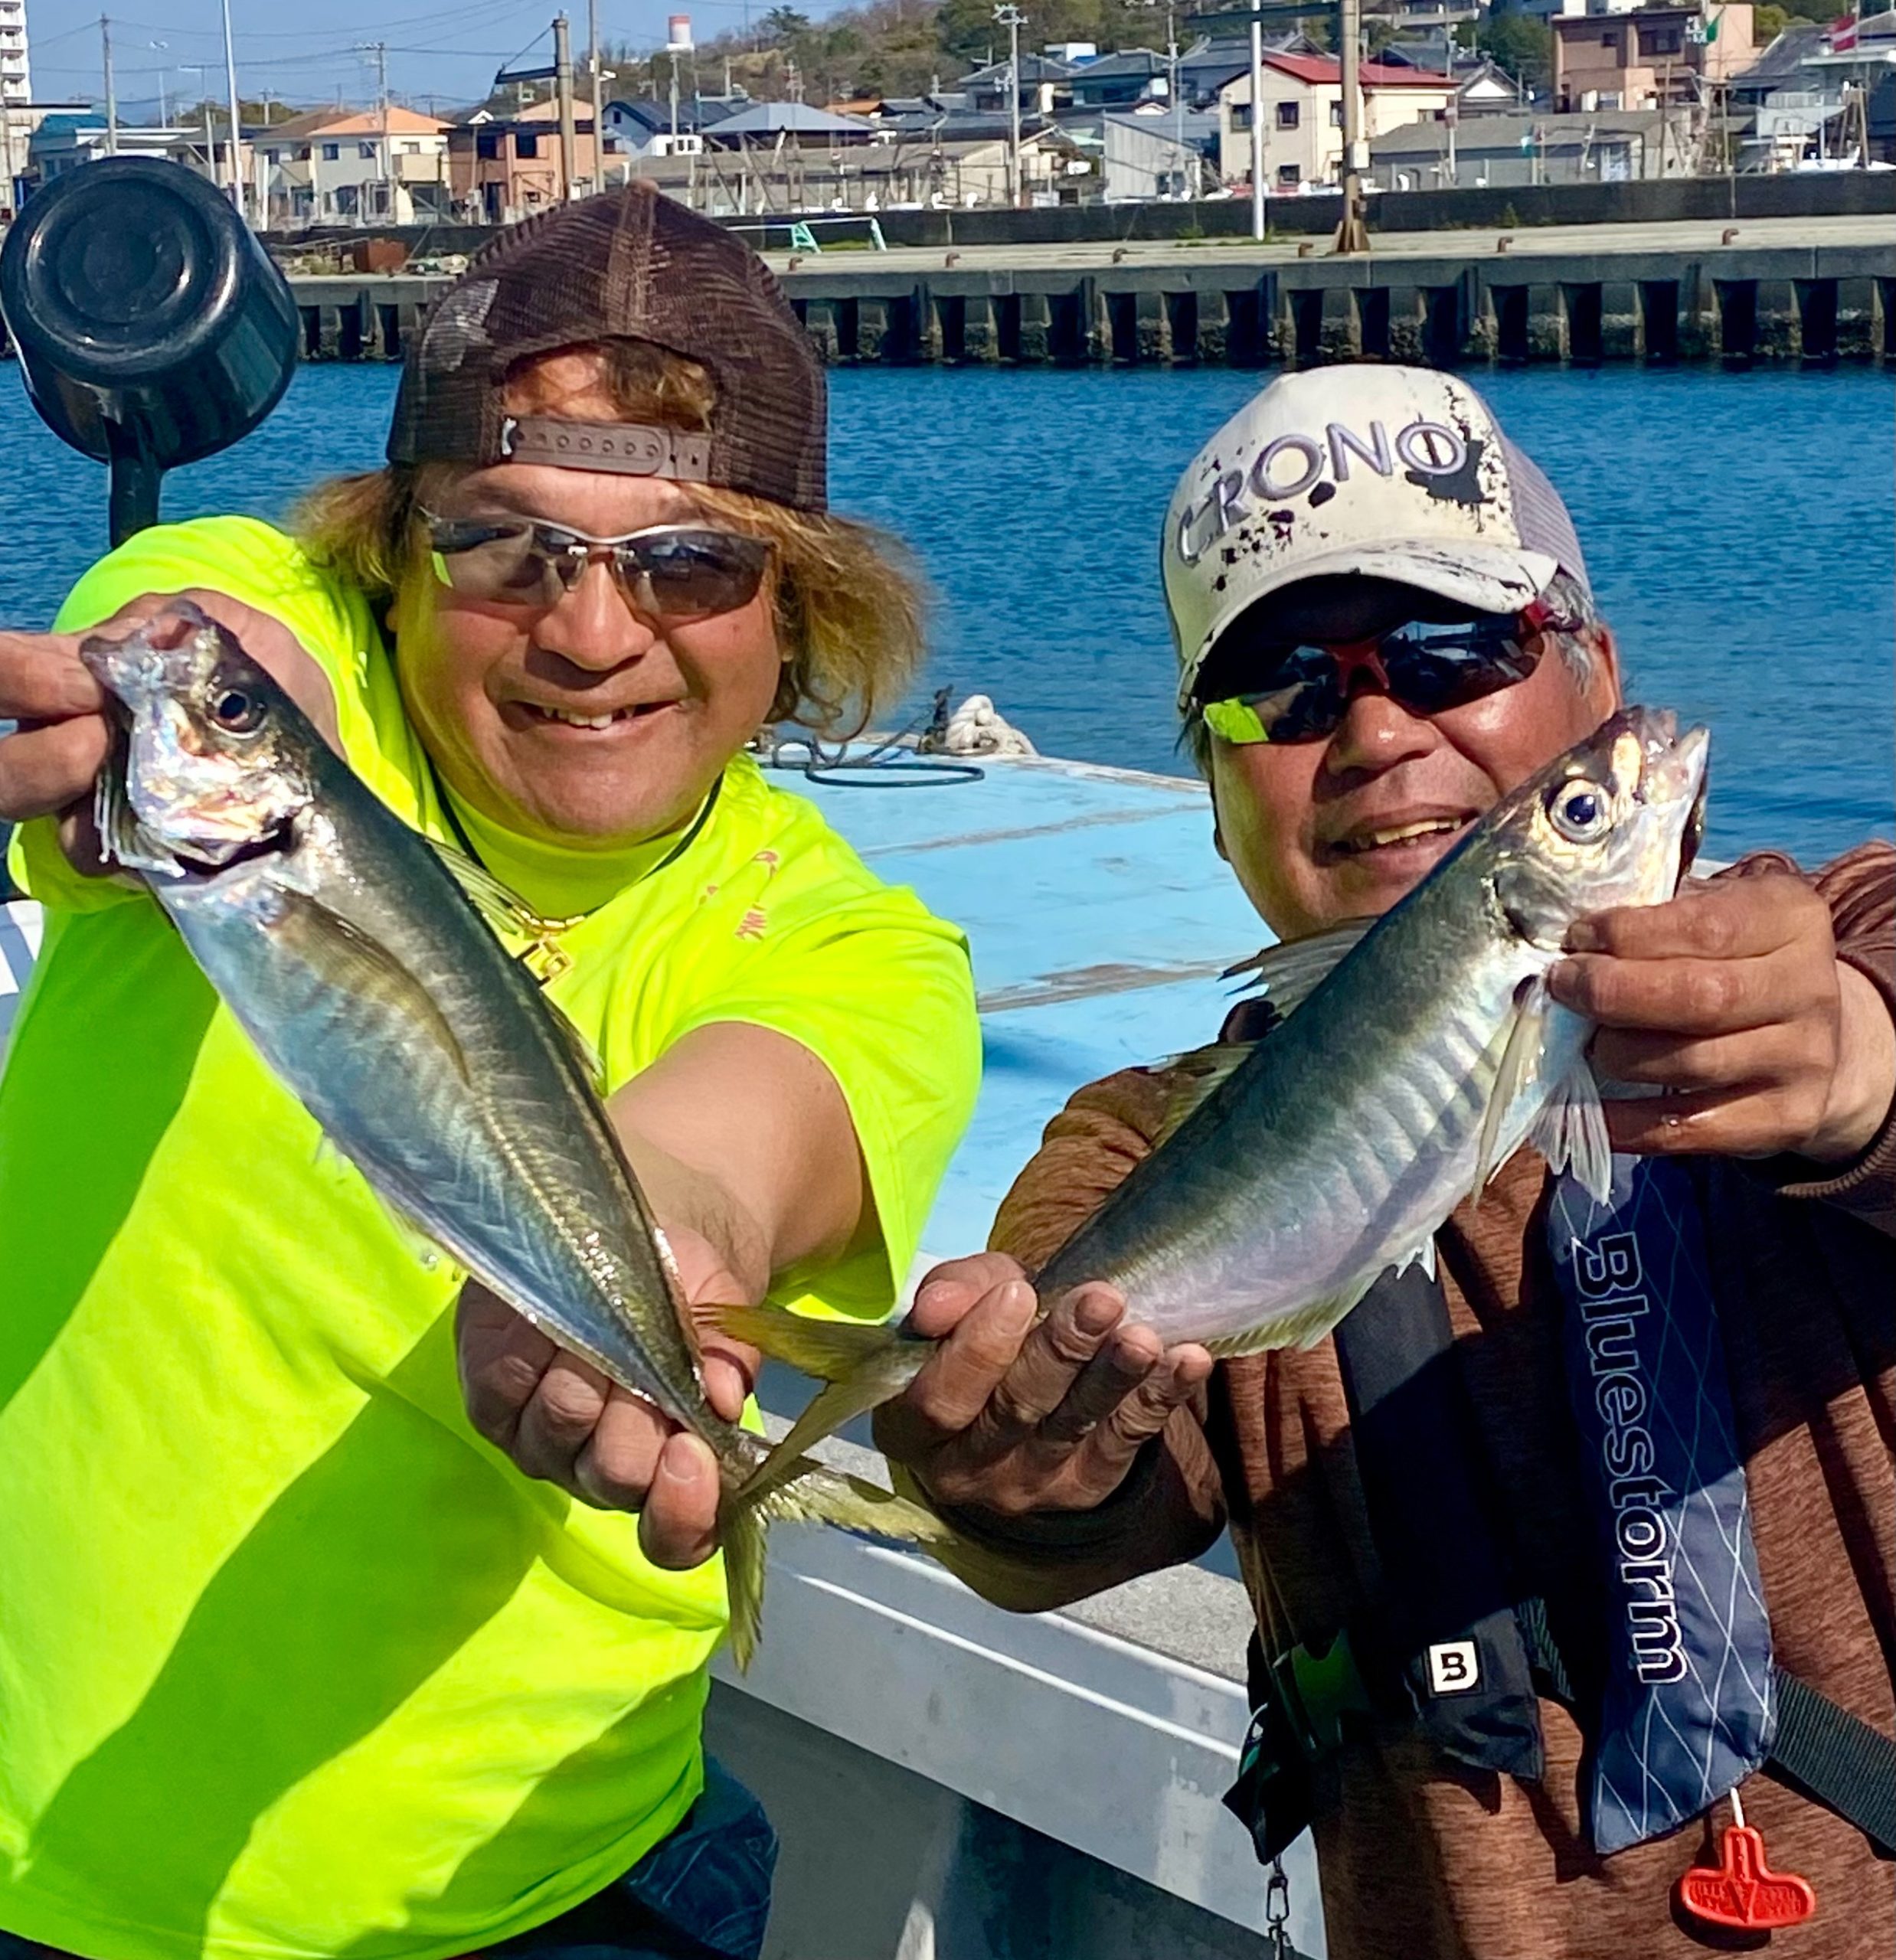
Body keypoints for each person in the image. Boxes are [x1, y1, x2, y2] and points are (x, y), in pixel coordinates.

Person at [0, 187, 979, 1960]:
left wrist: (650, 1249)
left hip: (554, 1899)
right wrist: (172, 731)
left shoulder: (856, 944)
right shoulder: (284, 709)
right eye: (505, 547)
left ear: (795, 610)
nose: (591, 632)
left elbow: (741, 1136)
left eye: (688, 561)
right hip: (34, 1875)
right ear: (389, 558)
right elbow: (206, 618)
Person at [876, 365, 1896, 1957]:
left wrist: (1853, 1065)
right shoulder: (1149, 1138)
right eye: (1276, 689)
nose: (1368, 727)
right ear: (1214, 796)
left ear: (1595, 674)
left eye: (1451, 648)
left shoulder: (1843, 936)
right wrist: (1010, 1465)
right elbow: (1062, 1505)